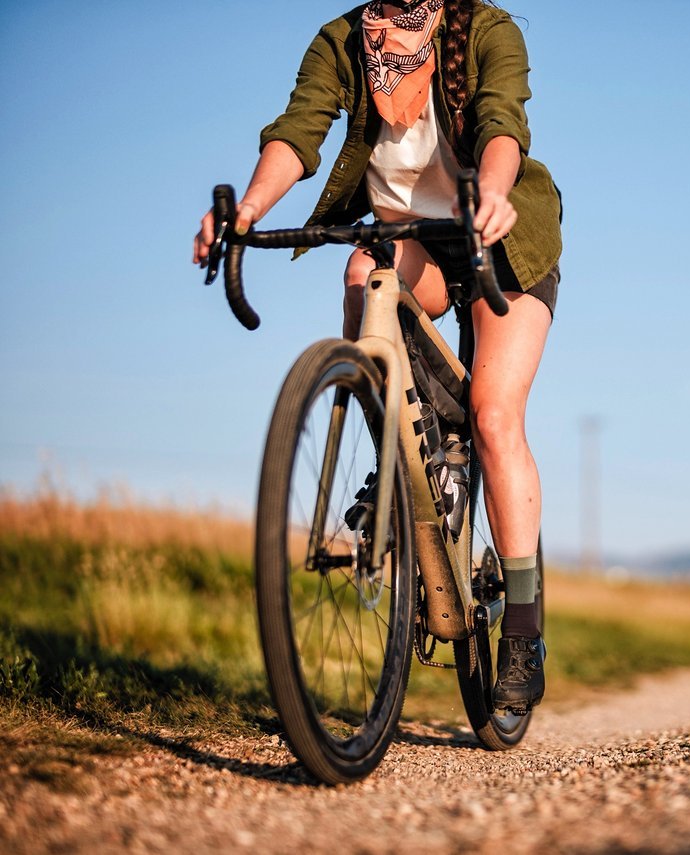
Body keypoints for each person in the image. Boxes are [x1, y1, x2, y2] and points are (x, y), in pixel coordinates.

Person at [192, 0, 561, 712]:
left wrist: (492, 187)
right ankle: (401, 456)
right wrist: (246, 214)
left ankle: (521, 627)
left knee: (492, 417)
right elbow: (298, 134)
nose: (385, 21)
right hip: (410, 238)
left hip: (500, 238)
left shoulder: (486, 30)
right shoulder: (342, 41)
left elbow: (501, 122)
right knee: (364, 277)